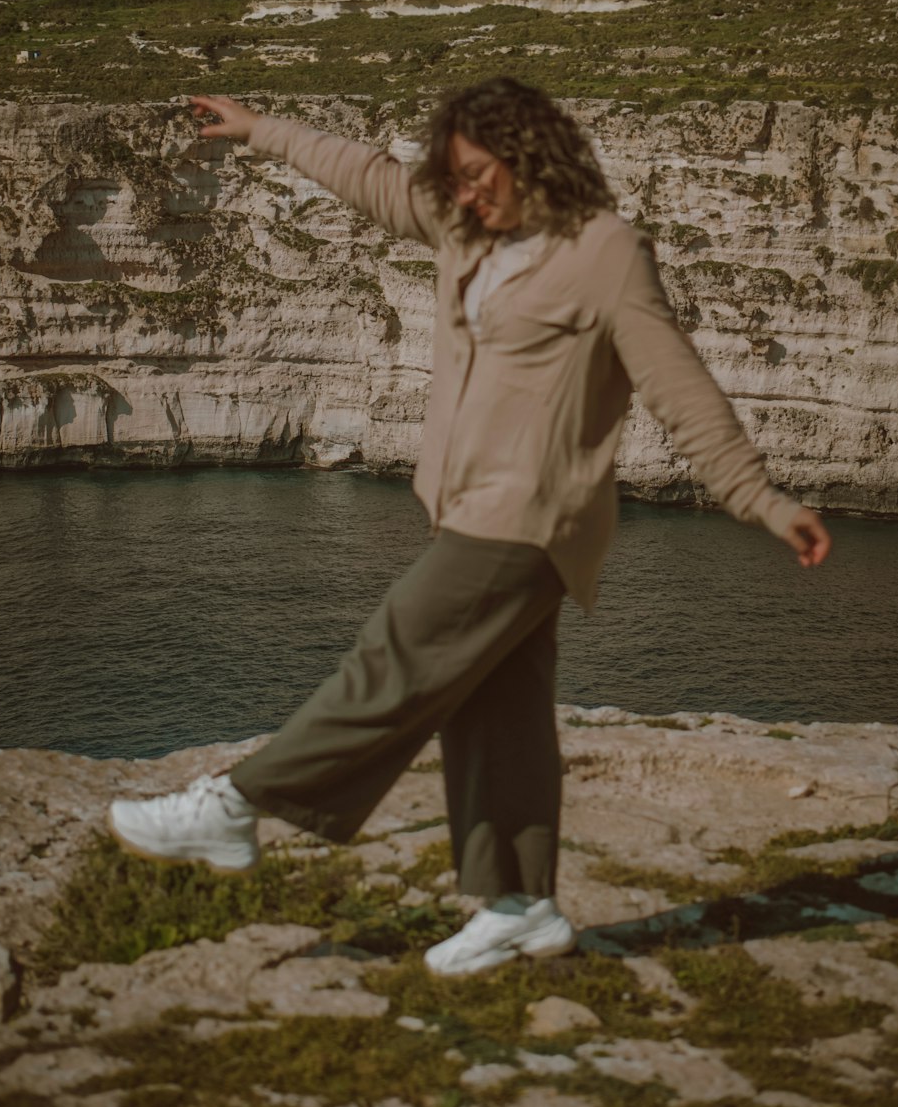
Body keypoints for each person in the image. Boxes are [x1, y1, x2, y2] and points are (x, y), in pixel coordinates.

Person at [109, 77, 831, 976]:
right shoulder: (463, 229)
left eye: (480, 173)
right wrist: (260, 130)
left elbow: (678, 388)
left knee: (396, 656)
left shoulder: (603, 252)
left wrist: (761, 498)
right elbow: (368, 178)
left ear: (533, 157)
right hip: (466, 507)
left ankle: (234, 807)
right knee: (500, 712)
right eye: (454, 177)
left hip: (532, 518)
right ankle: (521, 903)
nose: (466, 192)